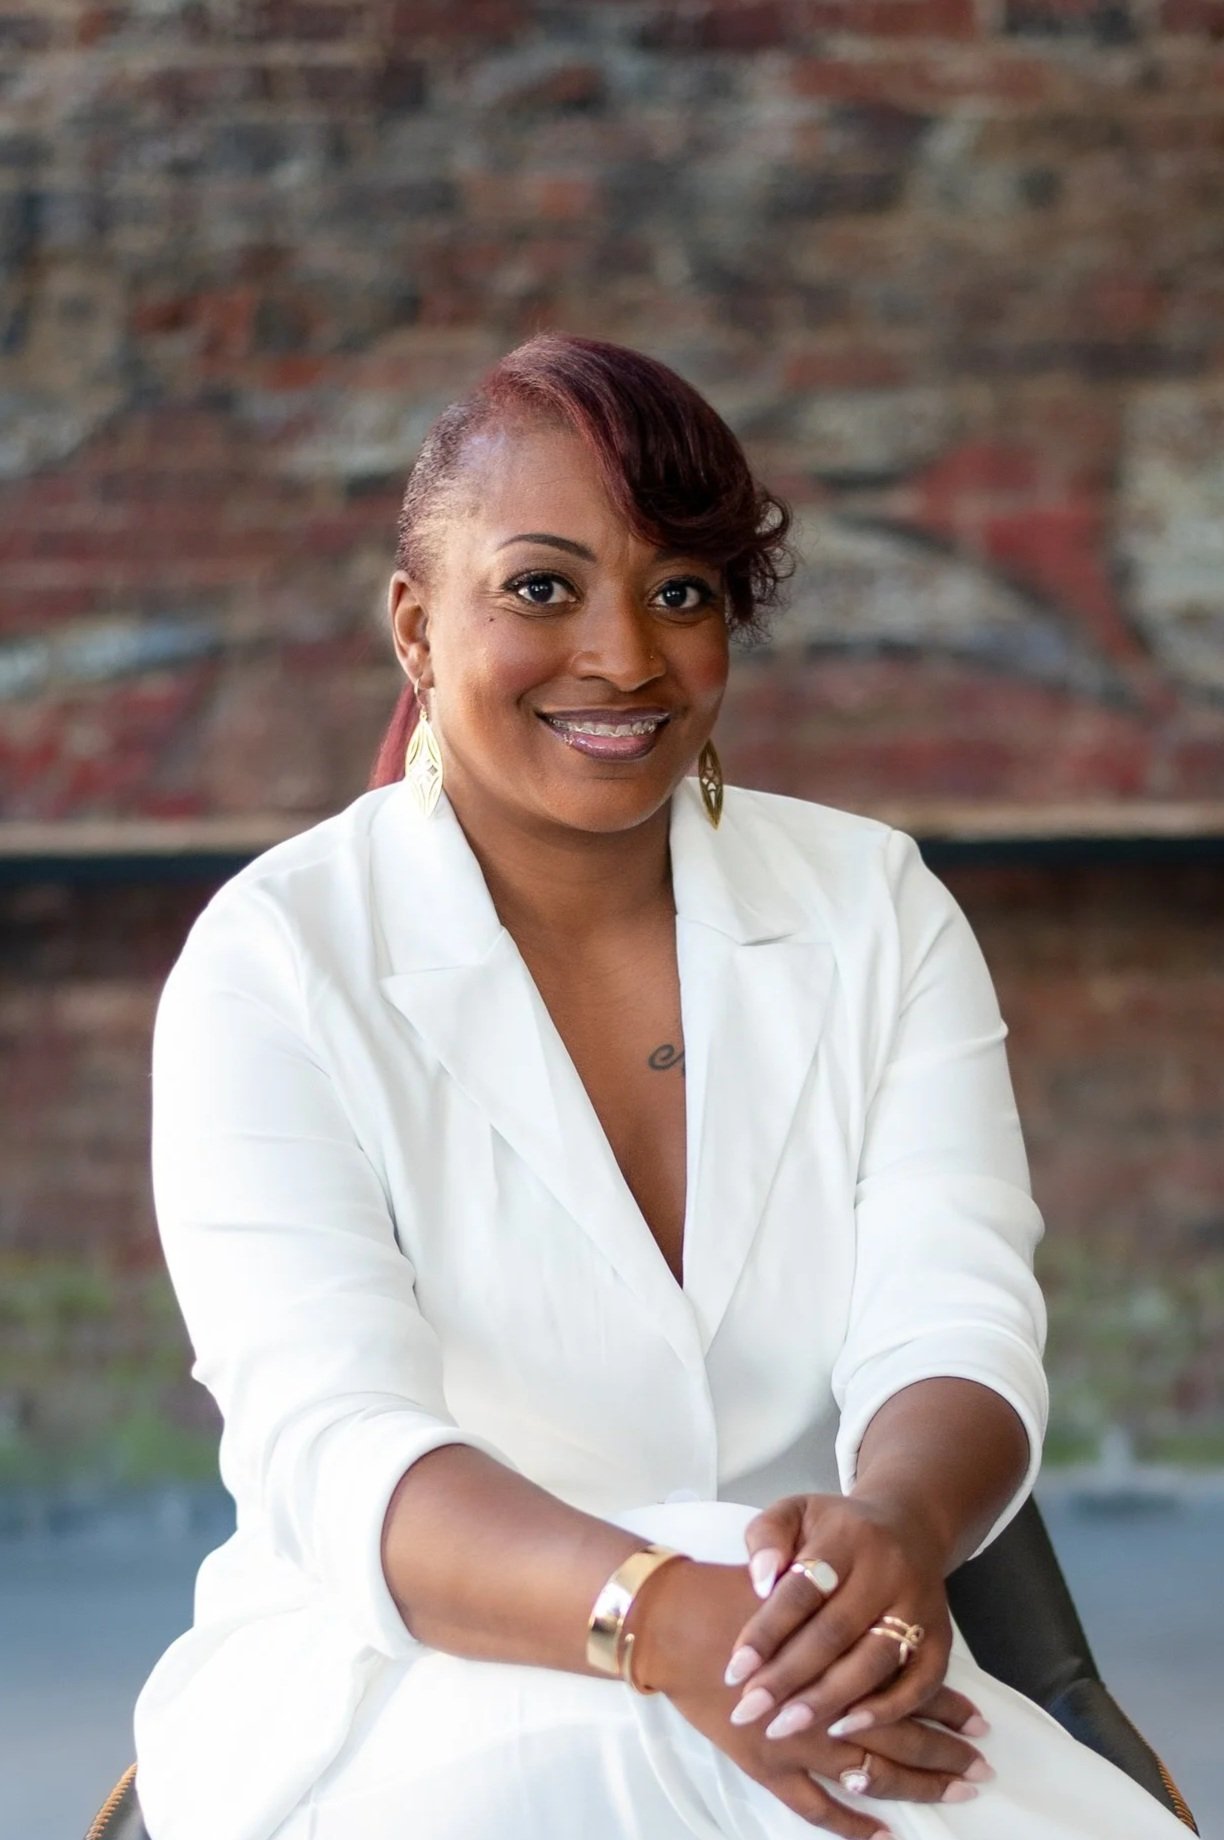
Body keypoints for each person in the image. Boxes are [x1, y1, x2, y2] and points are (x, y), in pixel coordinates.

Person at [132, 333, 1186, 1840]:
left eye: (679, 592)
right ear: (418, 630)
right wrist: (655, 1617)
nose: (623, 654)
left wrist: (893, 1527)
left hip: (803, 1646)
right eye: (543, 589)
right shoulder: (277, 960)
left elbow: (954, 1314)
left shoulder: (871, 905)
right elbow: (335, 1444)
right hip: (396, 1675)